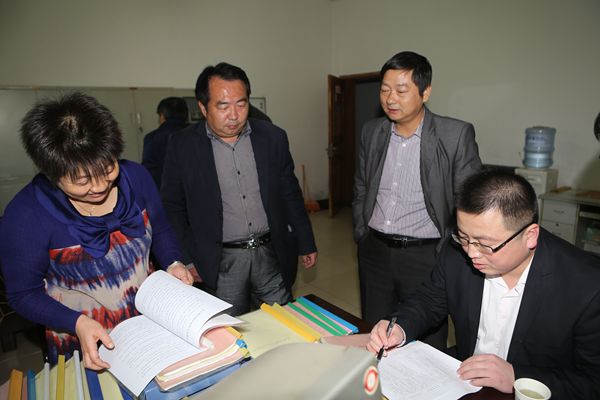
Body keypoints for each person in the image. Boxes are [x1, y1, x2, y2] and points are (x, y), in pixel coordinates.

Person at [0, 92, 193, 370]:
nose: (100, 186)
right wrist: (76, 322)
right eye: (82, 181)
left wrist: (173, 262)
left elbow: (160, 229)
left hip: (148, 321)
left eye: (107, 168)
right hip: (83, 336)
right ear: (53, 174)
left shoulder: (136, 177)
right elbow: (23, 294)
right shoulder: (26, 215)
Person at [367, 170, 600, 398]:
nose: (471, 253)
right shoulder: (457, 251)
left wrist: (516, 376)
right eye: (463, 237)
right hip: (462, 379)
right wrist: (400, 327)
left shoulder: (587, 287)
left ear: (530, 236)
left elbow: (592, 381)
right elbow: (429, 300)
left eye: (485, 244)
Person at [161, 62, 317, 316]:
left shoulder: (272, 137)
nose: (234, 115)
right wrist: (186, 258)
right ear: (203, 107)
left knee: (283, 322)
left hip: (271, 253)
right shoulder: (183, 145)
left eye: (241, 104)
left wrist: (306, 241)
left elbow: (290, 192)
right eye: (223, 106)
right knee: (228, 328)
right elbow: (172, 207)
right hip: (220, 259)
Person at [352, 51, 482, 348]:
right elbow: (361, 185)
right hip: (375, 251)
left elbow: (469, 201)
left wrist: (452, 251)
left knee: (425, 339)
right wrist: (361, 232)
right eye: (385, 90)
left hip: (426, 255)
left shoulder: (454, 135)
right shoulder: (372, 131)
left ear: (425, 92)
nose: (390, 99)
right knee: (374, 333)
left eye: (401, 90)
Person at [141, 96, 188, 189]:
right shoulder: (198, 134)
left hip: (163, 190)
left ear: (162, 115)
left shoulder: (152, 138)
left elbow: (148, 171)